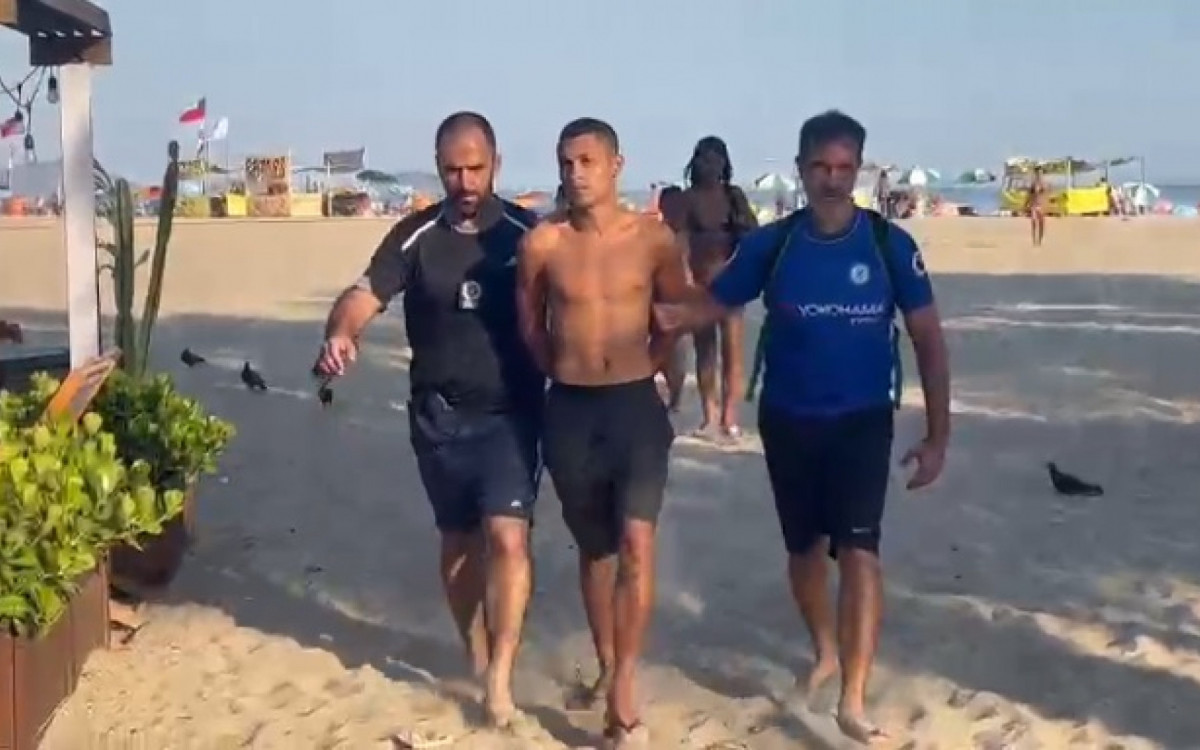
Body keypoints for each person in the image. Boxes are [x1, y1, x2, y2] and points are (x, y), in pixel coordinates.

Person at [654, 110, 951, 745]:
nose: (833, 180)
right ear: (800, 169)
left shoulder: (890, 245)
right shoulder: (774, 244)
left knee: (861, 551)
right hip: (788, 419)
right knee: (805, 553)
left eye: (844, 168)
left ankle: (853, 697)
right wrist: (650, 320)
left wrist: (938, 436)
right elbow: (711, 304)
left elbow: (928, 339)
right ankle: (825, 649)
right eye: (821, 167)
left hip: (863, 420)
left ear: (859, 170)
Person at [313, 111, 543, 729]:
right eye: (452, 170)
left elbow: (579, 295)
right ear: (439, 169)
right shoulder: (415, 236)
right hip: (438, 417)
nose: (465, 181)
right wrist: (341, 335)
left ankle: (500, 678)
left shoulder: (527, 233)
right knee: (459, 543)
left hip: (512, 414)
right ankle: (475, 648)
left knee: (509, 537)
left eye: (475, 168)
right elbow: (362, 296)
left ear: (496, 164)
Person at [516, 117, 689, 748]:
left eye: (587, 161)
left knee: (637, 542)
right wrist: (562, 370)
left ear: (617, 165)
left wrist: (656, 365)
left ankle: (625, 686)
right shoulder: (544, 243)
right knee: (596, 550)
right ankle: (609, 663)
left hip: (634, 406)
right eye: (566, 162)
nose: (575, 173)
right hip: (571, 408)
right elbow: (530, 324)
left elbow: (673, 312)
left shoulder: (653, 239)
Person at [679, 136, 758, 440]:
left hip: (731, 280)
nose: (709, 165)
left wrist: (736, 268)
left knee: (732, 352)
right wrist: (686, 276)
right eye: (704, 158)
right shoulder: (688, 199)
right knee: (706, 352)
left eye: (715, 159)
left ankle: (730, 416)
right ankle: (709, 415)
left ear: (724, 163)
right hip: (699, 284)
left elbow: (750, 237)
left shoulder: (733, 196)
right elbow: (680, 241)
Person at [654, 185, 689, 412]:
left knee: (679, 352)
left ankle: (675, 396)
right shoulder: (658, 234)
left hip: (683, 300)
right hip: (661, 299)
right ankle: (669, 393)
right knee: (665, 351)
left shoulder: (688, 236)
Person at [1027, 165, 1047, 246]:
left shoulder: (1044, 183)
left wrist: (1046, 204)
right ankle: (1034, 239)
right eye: (1037, 172)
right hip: (1034, 205)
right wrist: (1026, 204)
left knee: (1041, 223)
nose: (1039, 174)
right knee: (1034, 222)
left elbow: (1047, 194)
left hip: (1041, 205)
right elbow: (1029, 194)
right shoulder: (1033, 184)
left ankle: (1040, 240)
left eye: (1040, 172)